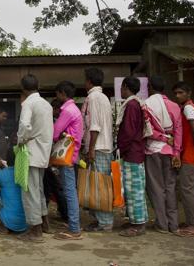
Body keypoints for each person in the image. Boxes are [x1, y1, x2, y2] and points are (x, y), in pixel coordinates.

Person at [16, 74, 53, 243]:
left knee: (30, 191)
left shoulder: (28, 103)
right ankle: (45, 223)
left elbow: (24, 125)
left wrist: (22, 139)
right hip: (43, 152)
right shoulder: (46, 104)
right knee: (38, 190)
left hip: (30, 152)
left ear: (23, 88)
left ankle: (35, 230)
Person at [144, 76, 182, 234]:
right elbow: (179, 131)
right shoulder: (174, 106)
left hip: (153, 150)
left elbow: (148, 131)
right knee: (170, 187)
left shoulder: (146, 105)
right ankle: (174, 224)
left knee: (156, 188)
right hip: (171, 151)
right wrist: (177, 151)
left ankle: (162, 224)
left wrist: (162, 137)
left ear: (150, 87)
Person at [82, 67, 114, 232]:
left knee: (100, 186)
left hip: (99, 147)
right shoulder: (104, 97)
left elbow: (94, 126)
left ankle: (105, 222)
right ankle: (100, 219)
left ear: (89, 81)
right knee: (100, 184)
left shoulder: (93, 97)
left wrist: (91, 149)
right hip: (104, 146)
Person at [172, 81, 194, 237]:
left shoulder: (188, 108)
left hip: (190, 154)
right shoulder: (190, 107)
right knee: (192, 189)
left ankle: (193, 225)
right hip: (191, 153)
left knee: (187, 190)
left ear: (188, 93)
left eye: (181, 93)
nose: (178, 96)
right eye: (176, 93)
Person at [51, 81, 84, 241]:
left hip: (68, 156)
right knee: (70, 190)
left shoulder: (67, 111)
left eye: (57, 94)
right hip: (73, 154)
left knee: (69, 191)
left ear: (63, 93)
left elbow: (55, 132)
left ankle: (74, 229)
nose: (57, 97)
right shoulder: (74, 109)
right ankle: (74, 223)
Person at [116, 77, 147, 237]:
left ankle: (138, 225)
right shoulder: (136, 104)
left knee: (134, 190)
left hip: (131, 153)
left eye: (121, 88)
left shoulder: (132, 105)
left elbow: (128, 131)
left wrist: (121, 147)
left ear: (125, 87)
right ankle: (136, 220)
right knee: (134, 188)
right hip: (135, 152)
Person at [0, 158, 28, 235]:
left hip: (11, 224)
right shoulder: (22, 172)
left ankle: (5, 225)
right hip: (25, 224)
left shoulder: (1, 173)